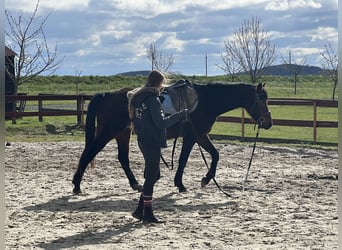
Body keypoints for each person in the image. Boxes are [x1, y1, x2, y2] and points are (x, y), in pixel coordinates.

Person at [128, 70, 189, 223]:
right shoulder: (153, 100)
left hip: (144, 139)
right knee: (151, 177)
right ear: (160, 83)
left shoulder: (140, 98)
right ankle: (147, 213)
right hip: (152, 141)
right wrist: (179, 115)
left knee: (154, 175)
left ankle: (139, 210)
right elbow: (161, 123)